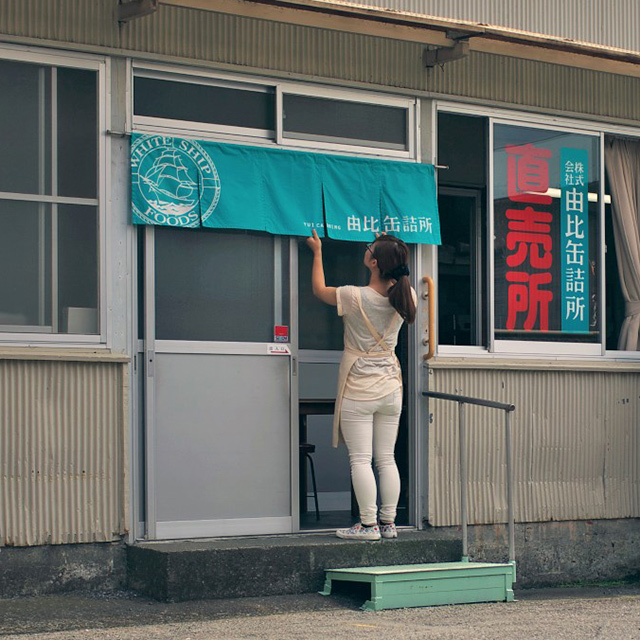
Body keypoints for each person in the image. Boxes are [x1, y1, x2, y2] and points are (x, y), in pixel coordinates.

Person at [306, 229, 416, 541]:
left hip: (359, 389)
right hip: (390, 388)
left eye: (371, 248)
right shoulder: (405, 296)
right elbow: (392, 271)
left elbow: (319, 290)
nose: (366, 250)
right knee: (386, 458)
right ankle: (388, 523)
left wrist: (317, 251)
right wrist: (388, 245)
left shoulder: (354, 297)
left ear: (375, 262)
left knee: (360, 459)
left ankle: (368, 526)